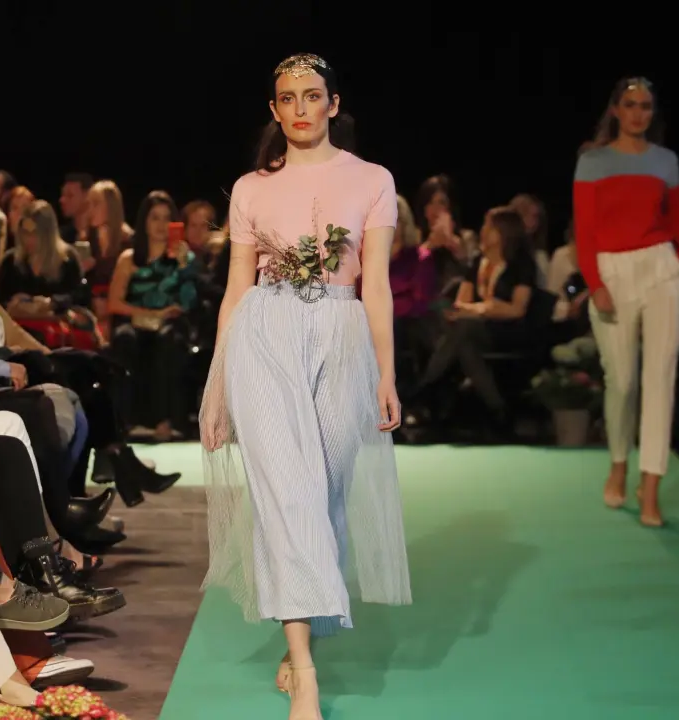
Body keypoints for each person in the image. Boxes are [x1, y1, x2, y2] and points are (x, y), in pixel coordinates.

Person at [199, 52, 412, 720]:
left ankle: (301, 636)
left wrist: (386, 372)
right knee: (286, 494)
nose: (299, 108)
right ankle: (305, 670)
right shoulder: (249, 188)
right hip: (264, 332)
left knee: (326, 498)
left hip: (343, 333)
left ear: (333, 104)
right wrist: (216, 384)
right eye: (287, 98)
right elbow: (236, 288)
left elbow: (376, 285)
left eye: (311, 95)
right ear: (274, 109)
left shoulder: (372, 179)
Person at [572, 77, 679, 527]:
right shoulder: (592, 161)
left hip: (661, 267)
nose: (638, 113)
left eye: (646, 106)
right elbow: (584, 230)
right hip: (612, 270)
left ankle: (650, 488)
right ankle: (618, 464)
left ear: (653, 112)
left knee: (660, 379)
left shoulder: (665, 161)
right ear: (616, 109)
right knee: (623, 381)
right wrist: (595, 283)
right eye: (630, 105)